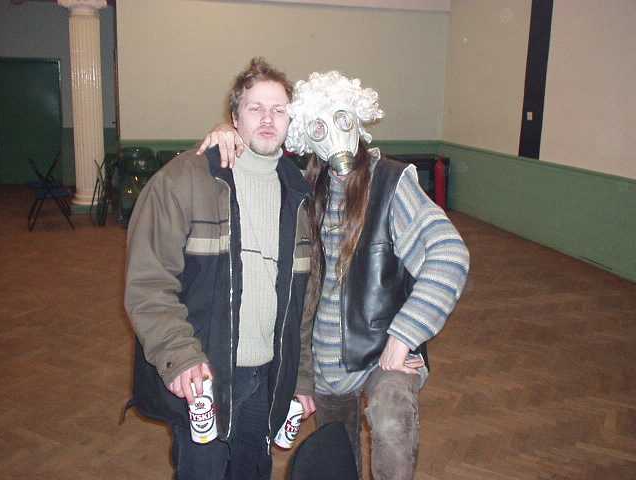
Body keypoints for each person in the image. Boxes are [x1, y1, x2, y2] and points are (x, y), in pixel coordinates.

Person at [200, 70, 470, 480]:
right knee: (336, 459)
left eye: (342, 119)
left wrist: (404, 336)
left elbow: (448, 255)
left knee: (392, 417)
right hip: (325, 363)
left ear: (358, 119)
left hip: (383, 352)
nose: (334, 136)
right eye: (319, 128)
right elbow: (257, 155)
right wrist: (226, 131)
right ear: (306, 137)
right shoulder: (304, 187)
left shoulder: (392, 183)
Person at [124, 57, 315, 480]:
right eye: (255, 108)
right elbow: (149, 284)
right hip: (206, 375)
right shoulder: (184, 180)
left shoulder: (300, 195)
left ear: (290, 120)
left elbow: (303, 305)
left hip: (267, 380)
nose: (268, 119)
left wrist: (301, 377)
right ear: (234, 117)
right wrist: (180, 357)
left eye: (279, 109)